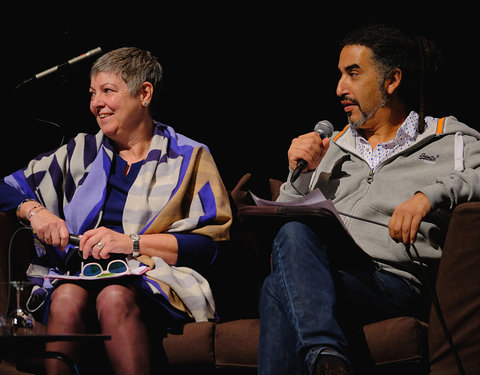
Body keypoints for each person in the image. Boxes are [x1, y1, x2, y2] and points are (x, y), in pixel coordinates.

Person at [258, 24, 480, 375]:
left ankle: (324, 357)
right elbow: (283, 229)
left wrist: (429, 195)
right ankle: (326, 358)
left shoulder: (447, 140)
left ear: (392, 81)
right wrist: (299, 176)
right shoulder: (330, 149)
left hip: (396, 283)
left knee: (277, 289)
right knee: (291, 242)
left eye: (353, 73)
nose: (339, 89)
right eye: (339, 75)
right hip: (327, 273)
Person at [0, 47, 232, 374]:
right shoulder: (80, 152)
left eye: (108, 91)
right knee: (66, 296)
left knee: (112, 296)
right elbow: (5, 188)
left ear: (144, 93)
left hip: (150, 278)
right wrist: (36, 211)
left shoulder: (188, 156)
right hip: (78, 273)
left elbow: (210, 247)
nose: (96, 103)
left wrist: (130, 243)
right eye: (93, 93)